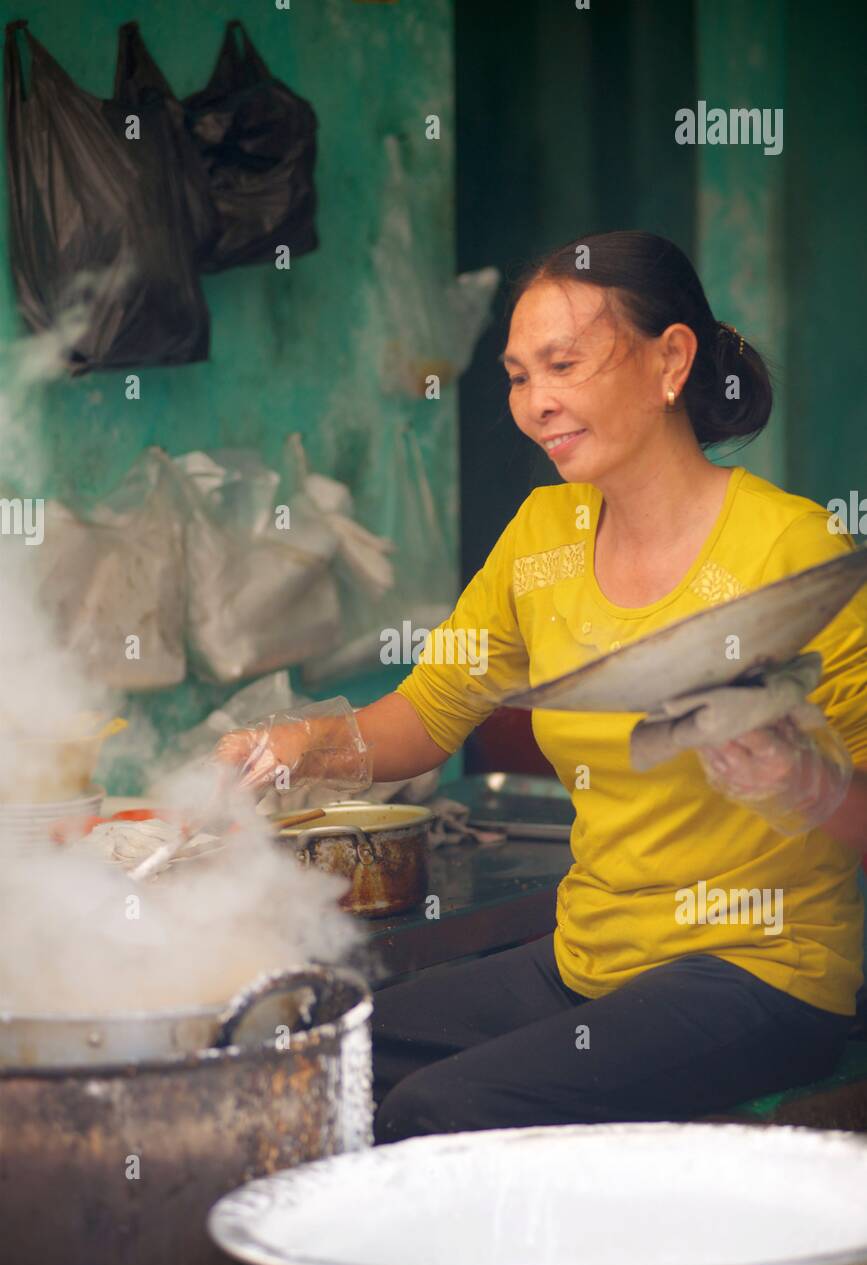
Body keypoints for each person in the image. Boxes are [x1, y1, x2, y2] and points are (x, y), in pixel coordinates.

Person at [217, 231, 867, 1144]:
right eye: (519, 376)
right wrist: (290, 749)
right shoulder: (543, 535)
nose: (534, 403)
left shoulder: (788, 553)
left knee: (439, 1111)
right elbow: (425, 715)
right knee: (304, 1054)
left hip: (754, 970)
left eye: (563, 365)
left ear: (669, 360)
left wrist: (804, 781)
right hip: (588, 958)